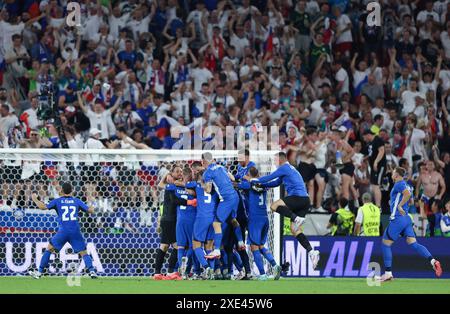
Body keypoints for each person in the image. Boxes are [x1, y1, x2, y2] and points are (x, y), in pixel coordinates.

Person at [252, 151, 320, 269]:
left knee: (274, 206)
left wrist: (254, 180)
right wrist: (262, 186)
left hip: (297, 197)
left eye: (274, 160)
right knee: (295, 230)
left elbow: (269, 177)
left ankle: (295, 218)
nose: (274, 162)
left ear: (280, 159)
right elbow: (276, 182)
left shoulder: (284, 167)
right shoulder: (290, 169)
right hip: (305, 201)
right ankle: (311, 252)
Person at [379, 167, 442, 282]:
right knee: (413, 244)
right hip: (407, 219)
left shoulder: (399, 184)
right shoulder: (408, 185)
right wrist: (400, 203)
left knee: (385, 244)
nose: (392, 174)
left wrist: (399, 206)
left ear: (397, 175)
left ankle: (388, 273)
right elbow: (412, 201)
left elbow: (407, 195)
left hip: (398, 219)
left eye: (393, 173)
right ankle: (433, 261)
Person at [28, 182, 97, 279]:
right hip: (75, 231)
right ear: (72, 190)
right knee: (84, 252)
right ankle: (92, 272)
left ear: (61, 190)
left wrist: (35, 199)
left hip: (63, 231)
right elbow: (91, 210)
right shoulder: (76, 201)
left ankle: (39, 272)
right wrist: (94, 202)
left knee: (49, 249)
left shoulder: (58, 201)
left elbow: (42, 207)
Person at [237, 167, 282, 281]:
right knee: (261, 246)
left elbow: (236, 185)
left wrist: (233, 180)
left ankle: (262, 274)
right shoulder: (264, 184)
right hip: (264, 218)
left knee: (254, 247)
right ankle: (275, 265)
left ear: (249, 175)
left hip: (255, 219)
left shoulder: (249, 185)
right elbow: (275, 183)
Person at [201, 152, 244, 260]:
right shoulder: (221, 166)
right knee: (232, 220)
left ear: (204, 161)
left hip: (226, 199)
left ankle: (216, 250)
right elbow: (233, 178)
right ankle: (240, 242)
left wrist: (202, 185)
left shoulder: (207, 173)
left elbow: (208, 190)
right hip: (235, 196)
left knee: (216, 223)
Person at [153, 165, 183, 281]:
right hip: (169, 219)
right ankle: (170, 272)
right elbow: (160, 185)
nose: (180, 173)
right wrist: (167, 175)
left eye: (181, 171)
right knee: (177, 246)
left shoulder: (178, 185)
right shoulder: (170, 186)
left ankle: (157, 273)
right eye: (177, 171)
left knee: (164, 246)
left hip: (169, 219)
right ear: (172, 173)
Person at [416, 160, 447, 237]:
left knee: (436, 216)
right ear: (426, 166)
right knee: (424, 216)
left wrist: (440, 195)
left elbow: (443, 186)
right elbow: (417, 187)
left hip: (434, 198)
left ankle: (436, 233)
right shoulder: (422, 175)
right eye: (428, 164)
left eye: (431, 164)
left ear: (434, 166)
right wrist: (416, 198)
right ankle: (427, 233)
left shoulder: (438, 175)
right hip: (425, 197)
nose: (430, 166)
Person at [363, 129, 386, 208]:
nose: (364, 139)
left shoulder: (377, 139)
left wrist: (376, 162)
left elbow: (381, 151)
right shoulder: (371, 143)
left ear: (368, 135)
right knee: (373, 185)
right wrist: (366, 159)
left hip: (379, 166)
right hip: (374, 167)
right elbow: (372, 154)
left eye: (364, 137)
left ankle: (378, 206)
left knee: (376, 185)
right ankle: (376, 204)